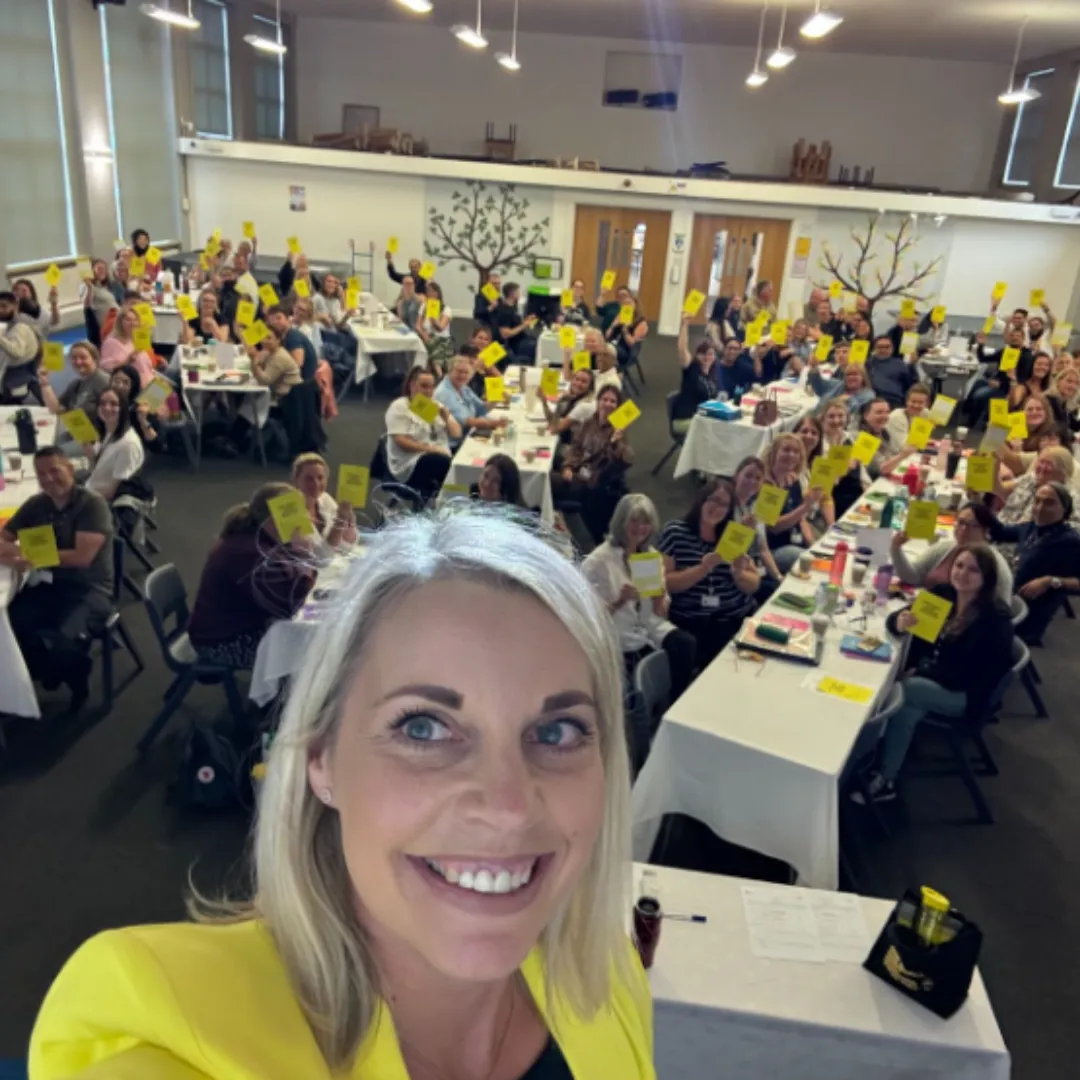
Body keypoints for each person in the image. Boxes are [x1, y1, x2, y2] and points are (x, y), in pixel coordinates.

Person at [32, 509, 655, 1079]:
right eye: (423, 727)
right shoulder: (180, 1029)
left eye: (558, 731)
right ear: (320, 759)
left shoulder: (606, 979)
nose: (508, 806)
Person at [854, 545, 1014, 803]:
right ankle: (886, 774)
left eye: (973, 570)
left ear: (987, 578)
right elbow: (897, 618)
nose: (962, 573)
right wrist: (899, 620)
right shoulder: (944, 595)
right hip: (940, 679)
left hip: (966, 695)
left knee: (905, 690)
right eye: (959, 565)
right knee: (907, 706)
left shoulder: (994, 620)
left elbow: (971, 675)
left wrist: (924, 671)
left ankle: (871, 755)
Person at [0, 447, 113, 706]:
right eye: (41, 474)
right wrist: (10, 551)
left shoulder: (92, 505)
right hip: (49, 585)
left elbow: (82, 558)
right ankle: (49, 669)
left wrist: (27, 554)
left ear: (70, 469)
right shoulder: (36, 504)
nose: (48, 479)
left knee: (65, 644)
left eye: (55, 471)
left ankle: (76, 679)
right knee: (11, 626)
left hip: (89, 589)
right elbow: (4, 538)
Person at [183, 483, 318, 669]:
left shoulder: (258, 538)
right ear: (273, 519)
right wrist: (304, 556)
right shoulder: (250, 554)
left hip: (228, 627)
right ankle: (286, 695)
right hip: (223, 641)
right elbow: (288, 605)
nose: (304, 520)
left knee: (311, 636)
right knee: (312, 649)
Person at [583, 493, 696, 701]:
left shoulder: (651, 556)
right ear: (621, 522)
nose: (640, 527)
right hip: (618, 630)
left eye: (646, 522)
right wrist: (620, 600)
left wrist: (659, 596)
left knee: (685, 644)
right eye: (633, 520)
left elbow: (661, 613)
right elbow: (588, 617)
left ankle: (674, 702)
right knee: (630, 677)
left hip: (648, 625)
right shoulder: (598, 561)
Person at [657, 479, 760, 667]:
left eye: (724, 505)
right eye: (713, 500)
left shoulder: (732, 535)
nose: (717, 508)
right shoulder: (675, 532)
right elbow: (665, 583)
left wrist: (739, 574)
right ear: (701, 500)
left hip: (734, 615)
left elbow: (754, 585)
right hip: (694, 619)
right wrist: (703, 568)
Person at [989, 482, 1080, 644]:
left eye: (1049, 503)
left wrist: (1049, 581)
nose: (1039, 507)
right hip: (1009, 599)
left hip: (1027, 615)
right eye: (1037, 501)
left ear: (1065, 509)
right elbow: (999, 532)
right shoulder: (1032, 528)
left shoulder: (1070, 541)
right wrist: (982, 505)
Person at [891, 501, 1013, 603]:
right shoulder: (947, 548)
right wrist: (896, 548)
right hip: (926, 611)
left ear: (986, 531)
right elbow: (912, 576)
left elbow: (998, 614)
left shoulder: (996, 567)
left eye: (973, 525)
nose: (963, 529)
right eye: (961, 522)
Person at [384, 367, 460, 499]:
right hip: (410, 462)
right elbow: (401, 441)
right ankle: (449, 502)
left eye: (431, 387)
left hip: (439, 455)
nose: (429, 391)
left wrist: (447, 418)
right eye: (424, 386)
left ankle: (452, 499)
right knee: (442, 464)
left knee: (462, 460)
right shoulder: (400, 406)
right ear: (412, 386)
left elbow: (456, 433)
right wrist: (431, 449)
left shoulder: (435, 406)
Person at [762, 434, 822, 572]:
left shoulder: (793, 480)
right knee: (809, 563)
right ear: (774, 453)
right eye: (786, 450)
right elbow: (773, 527)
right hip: (773, 549)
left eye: (796, 452)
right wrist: (806, 506)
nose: (791, 455)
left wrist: (812, 544)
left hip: (794, 539)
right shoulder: (767, 485)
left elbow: (801, 520)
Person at [82, 387, 146, 504]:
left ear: (123, 408)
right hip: (91, 486)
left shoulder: (127, 445)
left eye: (114, 404)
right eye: (102, 403)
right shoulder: (109, 430)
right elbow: (94, 467)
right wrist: (88, 451)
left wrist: (78, 500)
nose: (107, 408)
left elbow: (112, 492)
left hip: (98, 501)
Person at [994, 446, 1079, 527]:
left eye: (1048, 464)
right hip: (1002, 529)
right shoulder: (1030, 479)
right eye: (1041, 462)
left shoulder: (1070, 497)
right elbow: (998, 489)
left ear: (1063, 471)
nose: (1042, 467)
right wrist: (995, 466)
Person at [730, 456, 783, 584]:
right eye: (748, 476)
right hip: (736, 570)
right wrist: (743, 530)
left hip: (757, 566)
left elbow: (763, 549)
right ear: (737, 475)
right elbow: (728, 552)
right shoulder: (727, 506)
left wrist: (779, 577)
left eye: (758, 478)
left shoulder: (756, 508)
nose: (752, 481)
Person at [434, 354, 508, 443]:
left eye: (466, 372)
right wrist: (495, 423)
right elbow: (468, 421)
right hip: (456, 443)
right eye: (459, 371)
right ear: (450, 371)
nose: (463, 375)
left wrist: (497, 397)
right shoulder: (444, 392)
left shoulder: (463, 387)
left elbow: (482, 408)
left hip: (470, 434)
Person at [292, 453, 358, 550]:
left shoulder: (325, 498)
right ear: (296, 480)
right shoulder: (287, 509)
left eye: (320, 477)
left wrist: (350, 520)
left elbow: (347, 544)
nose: (316, 484)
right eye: (309, 478)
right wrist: (339, 524)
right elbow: (314, 556)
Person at [37, 340, 110, 423]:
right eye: (74, 358)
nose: (78, 362)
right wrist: (44, 382)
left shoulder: (103, 380)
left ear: (95, 359)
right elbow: (56, 409)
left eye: (83, 357)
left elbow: (116, 415)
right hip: (79, 431)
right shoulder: (76, 384)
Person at [672, 312, 716, 427]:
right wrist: (685, 325)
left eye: (710, 354)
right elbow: (682, 349)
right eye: (703, 354)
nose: (707, 357)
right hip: (685, 419)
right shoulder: (692, 369)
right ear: (697, 355)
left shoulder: (711, 372)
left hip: (703, 418)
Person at [794, 415, 834, 538]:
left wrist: (832, 527)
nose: (809, 436)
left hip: (817, 518)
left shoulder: (819, 464)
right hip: (799, 524)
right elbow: (799, 516)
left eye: (814, 433)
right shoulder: (789, 467)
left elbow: (826, 499)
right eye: (804, 431)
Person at [0, 290, 42, 401]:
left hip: (16, 371)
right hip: (25, 368)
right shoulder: (8, 324)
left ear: (15, 305)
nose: (1, 310)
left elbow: (17, 353)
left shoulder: (19, 326)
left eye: (4, 306)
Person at [100, 306, 154, 387]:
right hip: (134, 389)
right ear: (120, 322)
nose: (132, 323)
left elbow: (147, 367)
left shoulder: (136, 340)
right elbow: (106, 369)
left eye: (135, 320)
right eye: (128, 320)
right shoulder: (111, 342)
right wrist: (128, 361)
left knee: (174, 394)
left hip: (151, 383)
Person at [857, 398, 911, 479]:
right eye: (879, 412)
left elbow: (892, 454)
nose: (885, 416)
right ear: (866, 415)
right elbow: (881, 470)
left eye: (887, 412)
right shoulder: (862, 438)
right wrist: (903, 455)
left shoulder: (883, 432)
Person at [247, 324, 302, 403]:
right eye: (263, 337)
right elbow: (256, 371)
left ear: (278, 340)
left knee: (249, 400)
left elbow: (264, 381)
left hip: (287, 398)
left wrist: (254, 360)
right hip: (281, 393)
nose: (264, 341)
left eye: (269, 338)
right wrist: (254, 359)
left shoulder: (279, 356)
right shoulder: (269, 352)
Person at [541, 367, 596, 442]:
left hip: (573, 448)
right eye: (577, 379)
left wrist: (560, 402)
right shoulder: (573, 397)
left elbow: (553, 429)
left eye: (584, 381)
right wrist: (543, 401)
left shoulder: (584, 406)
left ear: (590, 387)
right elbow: (552, 420)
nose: (578, 383)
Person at [266, 306, 317, 382]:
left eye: (278, 318)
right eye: (272, 320)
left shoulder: (293, 337)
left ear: (287, 319)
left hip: (302, 385)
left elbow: (297, 364)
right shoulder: (283, 336)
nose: (275, 322)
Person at [865, 335, 917, 409]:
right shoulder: (867, 364)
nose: (883, 350)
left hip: (896, 401)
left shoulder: (900, 364)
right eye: (880, 347)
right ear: (874, 349)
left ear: (892, 349)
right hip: (874, 400)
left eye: (887, 347)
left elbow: (912, 384)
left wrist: (912, 366)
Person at [808, 355, 874, 412]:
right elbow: (819, 385)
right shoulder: (838, 384)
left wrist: (848, 400)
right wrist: (814, 368)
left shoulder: (868, 395)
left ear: (863, 377)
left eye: (855, 374)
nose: (851, 377)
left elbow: (855, 412)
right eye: (848, 374)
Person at [80, 259, 122, 345]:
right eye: (99, 268)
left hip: (116, 323)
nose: (102, 271)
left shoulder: (105, 287)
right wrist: (89, 287)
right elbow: (86, 305)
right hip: (105, 327)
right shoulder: (86, 286)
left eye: (104, 269)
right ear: (92, 270)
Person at [416, 281, 454, 376]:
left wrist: (433, 317)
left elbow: (440, 328)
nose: (431, 293)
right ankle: (439, 375)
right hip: (426, 336)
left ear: (438, 293)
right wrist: (424, 336)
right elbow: (418, 326)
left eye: (434, 291)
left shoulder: (446, 309)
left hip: (442, 339)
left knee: (433, 346)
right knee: (430, 343)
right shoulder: (424, 306)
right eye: (429, 291)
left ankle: (439, 374)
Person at [604, 292, 648, 371]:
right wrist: (613, 326)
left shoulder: (641, 323)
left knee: (605, 351)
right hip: (612, 345)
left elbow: (632, 344)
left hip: (626, 351)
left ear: (636, 305)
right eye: (625, 304)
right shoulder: (619, 316)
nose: (627, 306)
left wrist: (625, 330)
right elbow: (607, 336)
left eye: (629, 303)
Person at [494, 282, 538, 361]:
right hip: (516, 344)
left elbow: (515, 325)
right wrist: (524, 325)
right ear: (512, 294)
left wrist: (527, 320)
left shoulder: (513, 307)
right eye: (518, 292)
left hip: (522, 338)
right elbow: (505, 334)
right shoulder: (504, 311)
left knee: (539, 341)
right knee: (537, 346)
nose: (520, 294)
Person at [885, 383, 931, 449]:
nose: (916, 405)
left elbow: (920, 441)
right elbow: (905, 447)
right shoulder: (897, 417)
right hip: (894, 455)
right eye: (913, 402)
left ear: (926, 404)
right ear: (907, 401)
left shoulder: (925, 414)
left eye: (920, 402)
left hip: (912, 454)